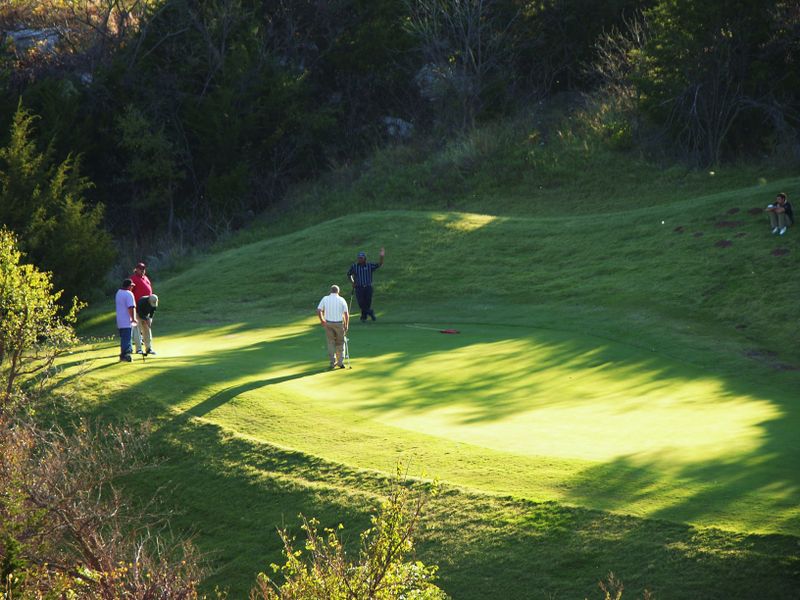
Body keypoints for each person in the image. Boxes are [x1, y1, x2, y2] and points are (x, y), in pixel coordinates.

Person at [316, 284, 350, 369]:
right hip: (339, 324)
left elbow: (319, 310)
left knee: (331, 343)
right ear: (338, 291)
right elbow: (346, 314)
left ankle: (332, 362)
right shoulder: (341, 299)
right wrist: (346, 325)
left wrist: (322, 320)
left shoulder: (325, 298)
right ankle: (340, 362)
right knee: (340, 343)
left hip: (328, 323)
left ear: (331, 291)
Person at [347, 247, 384, 321]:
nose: (359, 259)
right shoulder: (354, 266)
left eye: (361, 258)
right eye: (359, 258)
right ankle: (370, 312)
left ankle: (363, 317)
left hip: (368, 287)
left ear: (364, 259)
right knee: (361, 303)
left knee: (367, 303)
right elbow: (349, 274)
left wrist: (382, 256)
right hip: (359, 287)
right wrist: (352, 282)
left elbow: (379, 264)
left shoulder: (369, 266)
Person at [130, 262, 153, 354]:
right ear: (136, 269)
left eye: (143, 269)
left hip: (146, 308)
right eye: (140, 269)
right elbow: (130, 293)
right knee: (137, 328)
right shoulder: (133, 279)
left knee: (147, 328)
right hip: (137, 308)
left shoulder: (146, 278)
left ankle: (148, 348)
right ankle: (138, 348)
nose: (142, 270)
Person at [115, 279, 138, 362]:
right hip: (126, 320)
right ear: (129, 286)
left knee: (124, 338)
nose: (132, 287)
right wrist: (133, 319)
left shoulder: (118, 293)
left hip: (120, 320)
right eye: (131, 286)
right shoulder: (129, 294)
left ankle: (123, 355)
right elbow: (131, 307)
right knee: (127, 338)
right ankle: (125, 355)